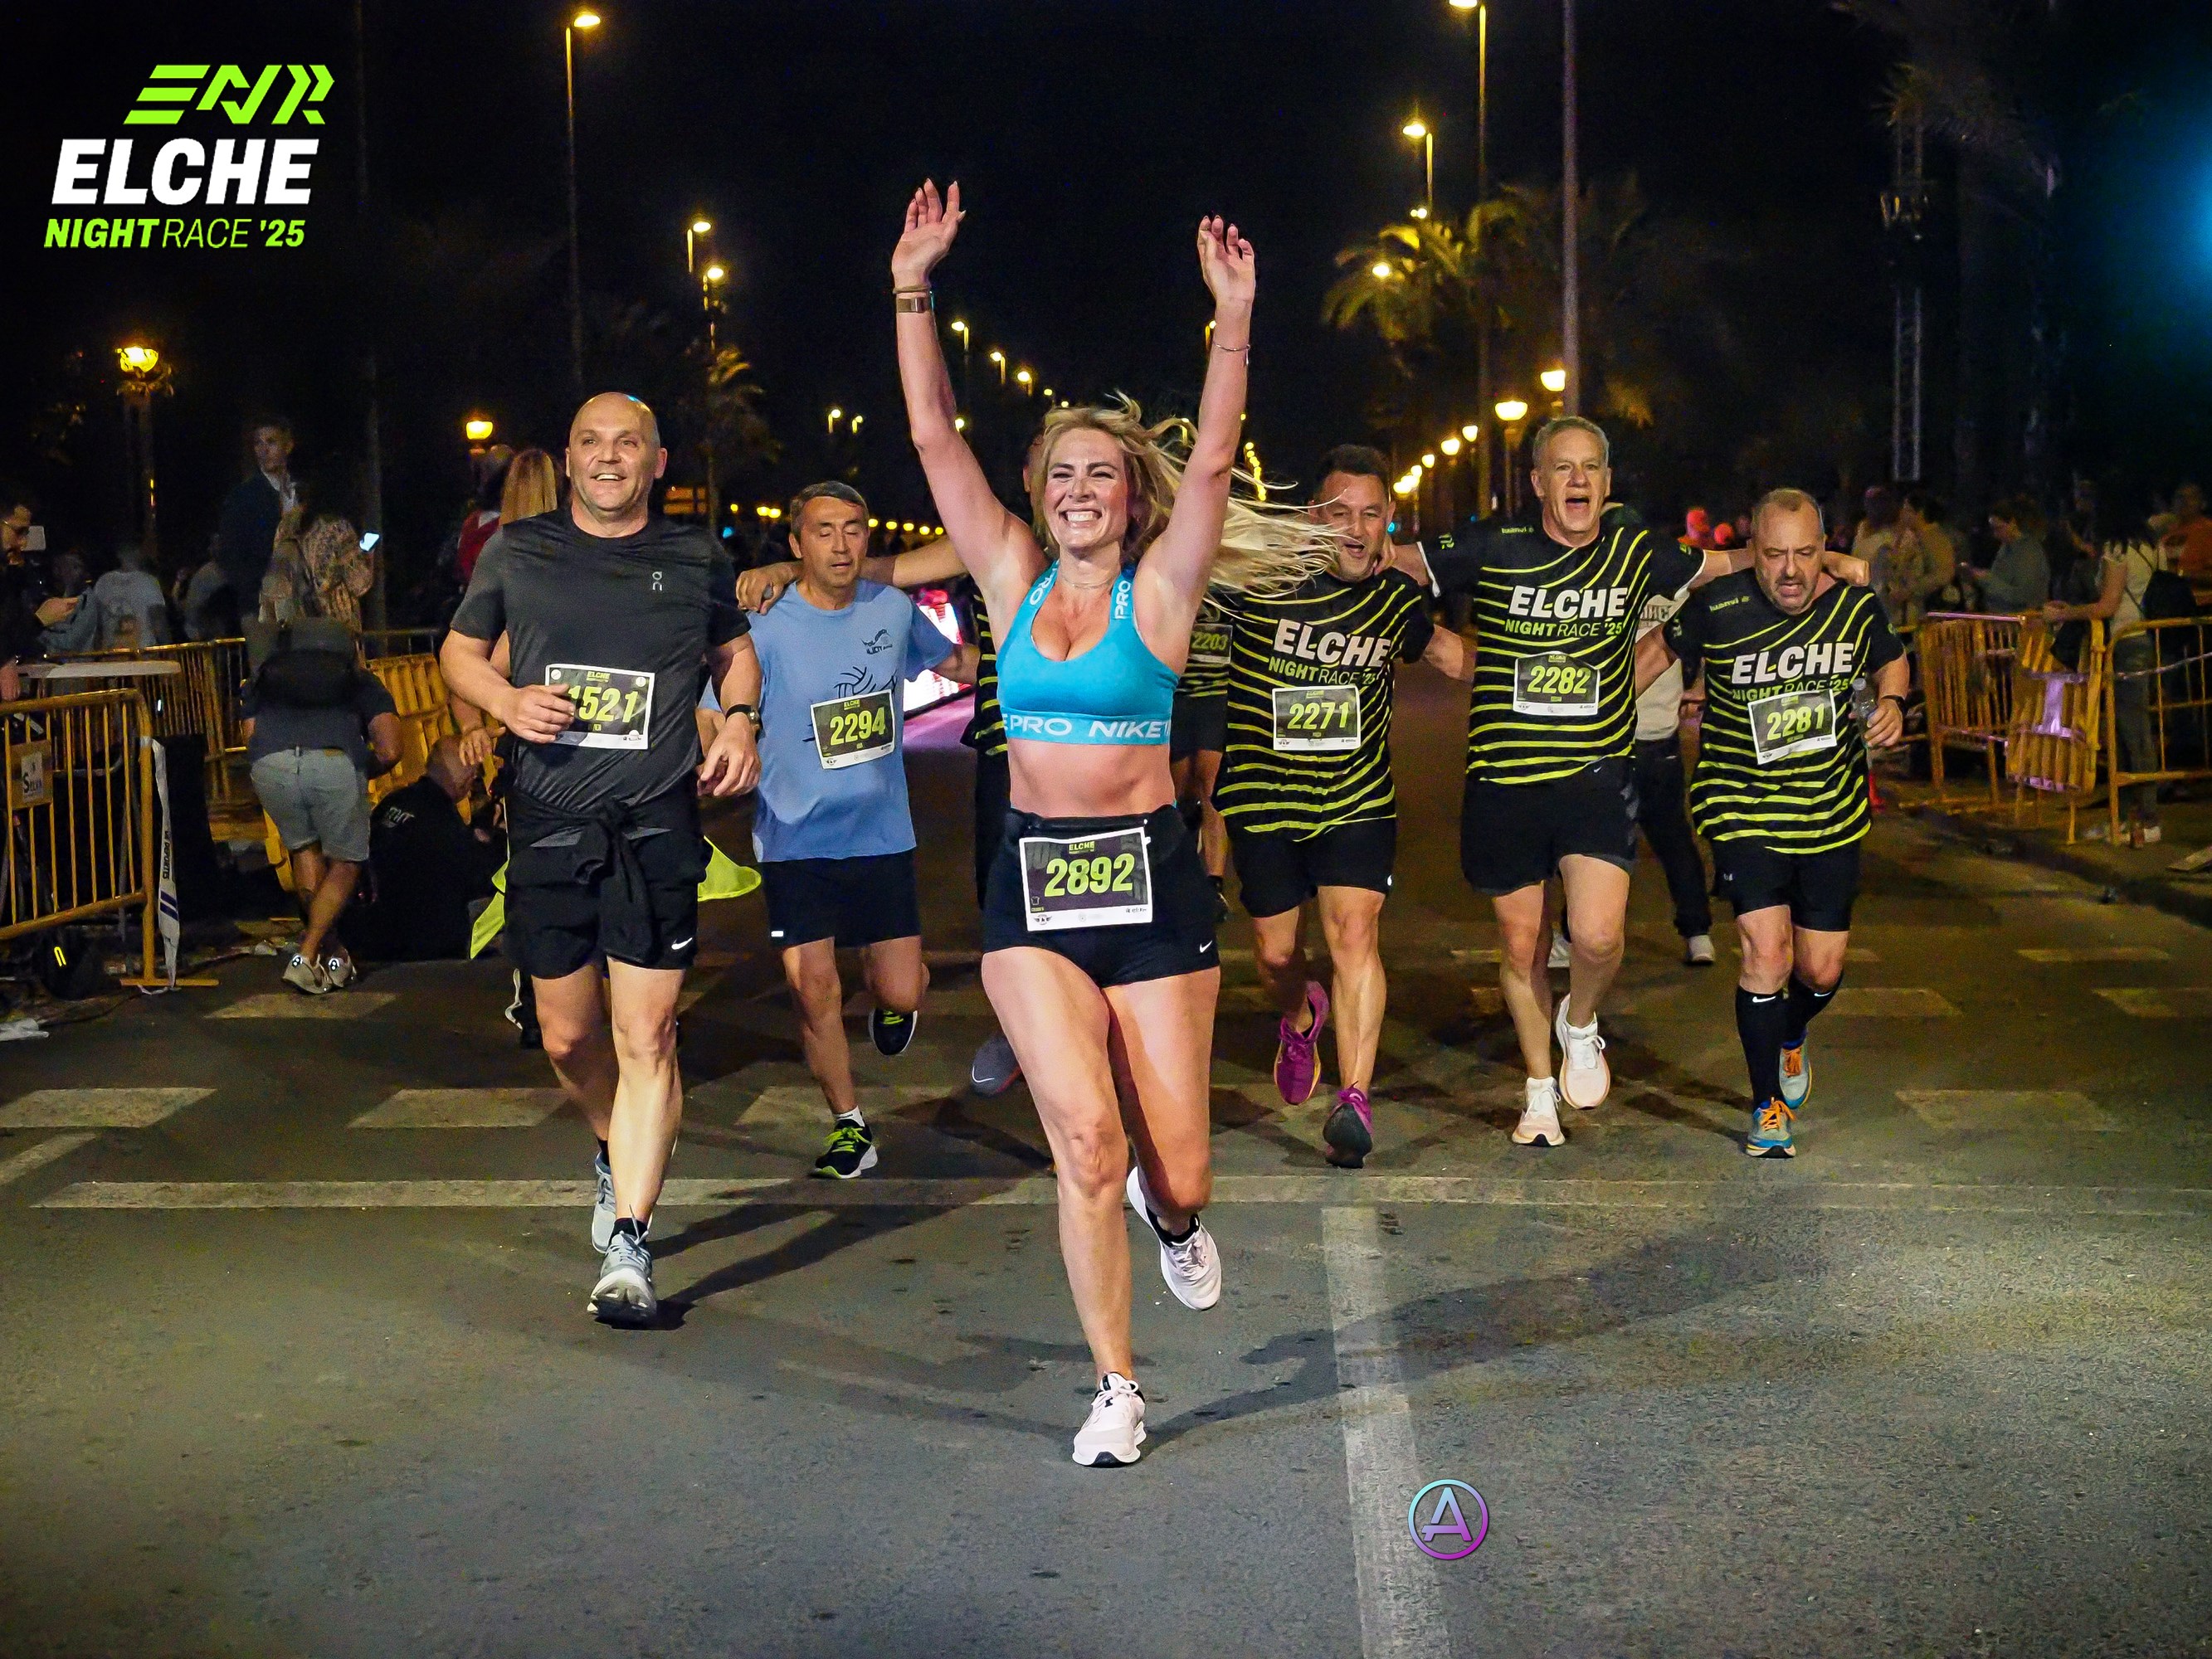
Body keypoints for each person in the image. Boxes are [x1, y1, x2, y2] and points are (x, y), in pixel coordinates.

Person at [893, 181, 1335, 1465]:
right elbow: (931, 438)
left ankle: (1175, 1217)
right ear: (1038, 495)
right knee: (1084, 1140)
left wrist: (1232, 318)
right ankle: (1116, 1388)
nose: (1081, 488)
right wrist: (911, 286)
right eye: (1061, 474)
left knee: (1176, 1170)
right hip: (1034, 890)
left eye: (1101, 473)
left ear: (1130, 500)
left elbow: (1214, 460)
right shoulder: (1008, 580)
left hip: (1150, 889)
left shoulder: (1164, 595)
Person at [1420, 420, 1864, 1149]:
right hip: (1505, 778)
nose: (1578, 480)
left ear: (1606, 481)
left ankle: (1580, 1021)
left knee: (1597, 938)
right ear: (1538, 482)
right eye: (1563, 468)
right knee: (1523, 943)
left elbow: (1722, 564)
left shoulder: (1635, 551)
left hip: (1596, 771)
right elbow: (1395, 562)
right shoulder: (1496, 547)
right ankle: (1538, 1090)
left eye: (1591, 467)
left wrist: (1826, 562)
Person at [440, 392, 763, 1328]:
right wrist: (505, 702)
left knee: (647, 1037)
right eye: (591, 442)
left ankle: (631, 1241)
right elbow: (458, 652)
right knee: (567, 1039)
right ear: (570, 458)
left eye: (628, 444)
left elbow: (735, 656)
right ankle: (611, 1145)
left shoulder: (695, 556)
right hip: (549, 821)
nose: (609, 457)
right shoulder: (518, 551)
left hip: (656, 822)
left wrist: (740, 720)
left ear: (657, 462)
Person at [1214, 444, 1470, 1167]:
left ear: (1388, 520)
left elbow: (1450, 656)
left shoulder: (1396, 599)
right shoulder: (1260, 583)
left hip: (1357, 799)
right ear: (1312, 518)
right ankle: (1301, 1014)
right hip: (1265, 799)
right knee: (1276, 955)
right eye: (1339, 513)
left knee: (1355, 935)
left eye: (1370, 514)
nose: (1355, 530)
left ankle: (1354, 1097)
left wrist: (1557, 678)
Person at [1661, 489, 1907, 1157]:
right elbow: (1652, 656)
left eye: (1804, 553)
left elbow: (1891, 656)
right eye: (1774, 555)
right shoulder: (1718, 606)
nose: (1791, 570)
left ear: (1825, 550)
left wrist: (1891, 700)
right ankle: (1766, 1105)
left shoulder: (1853, 606)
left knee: (1820, 970)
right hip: (1743, 805)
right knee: (1765, 955)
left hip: (1830, 810)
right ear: (1753, 552)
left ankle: (1791, 1034)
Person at [747, 481, 977, 1179]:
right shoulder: (764, 623)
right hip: (794, 837)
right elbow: (716, 704)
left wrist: (1039, 660)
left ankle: (893, 998)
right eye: (823, 531)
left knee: (902, 990)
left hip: (881, 834)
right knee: (811, 985)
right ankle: (849, 1124)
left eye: (853, 529)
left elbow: (956, 664)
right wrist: (716, 746)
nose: (841, 544)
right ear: (796, 544)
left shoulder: (893, 609)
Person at [242, 640, 402, 995]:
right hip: (334, 761)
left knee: (304, 850)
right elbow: (391, 749)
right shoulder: (359, 679)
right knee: (347, 862)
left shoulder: (266, 676)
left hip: (271, 766)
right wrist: (360, 772)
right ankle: (306, 953)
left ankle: (332, 954)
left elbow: (250, 735)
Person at [2046, 534, 2165, 844]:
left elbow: (2108, 605)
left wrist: (2063, 614)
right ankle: (2124, 817)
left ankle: (2146, 820)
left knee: (2131, 733)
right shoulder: (2151, 545)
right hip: (2141, 639)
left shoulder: (2118, 549)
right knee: (2126, 733)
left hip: (2124, 643)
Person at [347, 737, 503, 961]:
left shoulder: (393, 802)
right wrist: (490, 840)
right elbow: (477, 877)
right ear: (466, 779)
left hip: (375, 934)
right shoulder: (444, 821)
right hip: (428, 946)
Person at [1170, 588, 1233, 917]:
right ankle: (1177, 867)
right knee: (1178, 790)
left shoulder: (1236, 582)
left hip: (1217, 695)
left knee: (1212, 787)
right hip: (1176, 694)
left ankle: (1214, 884)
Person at [216, 417, 299, 611]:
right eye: (258, 443)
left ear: (288, 446)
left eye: (271, 442)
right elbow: (231, 554)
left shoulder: (300, 492)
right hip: (261, 603)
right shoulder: (243, 497)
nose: (263, 450)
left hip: (300, 600)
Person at [1883, 490, 1956, 633]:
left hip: (1927, 614)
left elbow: (1943, 574)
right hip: (1913, 613)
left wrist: (1910, 591)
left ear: (1919, 513)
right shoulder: (1913, 538)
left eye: (1907, 510)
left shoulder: (1933, 538)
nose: (1903, 515)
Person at [1970, 497, 2051, 615]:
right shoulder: (2006, 548)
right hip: (2001, 617)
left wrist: (1987, 579)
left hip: (2022, 620)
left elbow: (2022, 596)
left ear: (2012, 523)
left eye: (1999, 528)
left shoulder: (2029, 552)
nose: (1996, 535)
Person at [2161, 483, 2212, 583]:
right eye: (2180, 498)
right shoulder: (2166, 533)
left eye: (2192, 498)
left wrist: (2180, 575)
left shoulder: (2208, 531)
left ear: (2203, 504)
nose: (2185, 502)